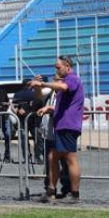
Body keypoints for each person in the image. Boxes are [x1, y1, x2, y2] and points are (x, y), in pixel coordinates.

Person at [31, 55, 84, 203]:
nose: (56, 69)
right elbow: (63, 104)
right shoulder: (68, 80)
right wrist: (49, 107)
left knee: (70, 159)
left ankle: (74, 195)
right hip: (61, 125)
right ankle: (51, 192)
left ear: (67, 65)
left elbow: (63, 87)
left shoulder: (72, 78)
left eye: (58, 66)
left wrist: (43, 85)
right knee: (52, 157)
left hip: (68, 125)